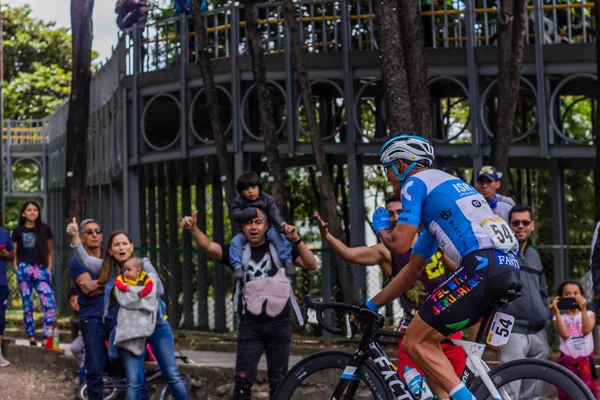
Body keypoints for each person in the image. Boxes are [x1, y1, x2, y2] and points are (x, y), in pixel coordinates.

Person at [364, 135, 520, 400]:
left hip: (481, 265)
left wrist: (381, 227)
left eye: (386, 169)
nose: (388, 177)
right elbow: (412, 270)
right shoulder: (446, 193)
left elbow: (399, 244)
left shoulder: (413, 182)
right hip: (507, 267)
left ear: (401, 165)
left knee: (413, 341)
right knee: (428, 346)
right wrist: (372, 304)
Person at [313, 195, 466, 394]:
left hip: (445, 325)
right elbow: (349, 254)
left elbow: (460, 268)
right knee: (414, 391)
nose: (395, 217)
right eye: (390, 213)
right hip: (412, 327)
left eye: (400, 212)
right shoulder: (387, 253)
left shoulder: (435, 241)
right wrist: (326, 236)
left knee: (451, 390)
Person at [181, 209, 318, 400]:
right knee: (243, 380)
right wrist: (193, 228)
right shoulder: (238, 252)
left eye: (258, 222)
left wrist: (296, 240)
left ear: (266, 225)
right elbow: (210, 247)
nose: (253, 227)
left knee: (279, 380)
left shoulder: (281, 248)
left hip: (280, 323)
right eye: (248, 223)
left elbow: (312, 264)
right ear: (242, 227)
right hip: (250, 325)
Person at [66, 219, 188, 400]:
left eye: (124, 243)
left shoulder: (143, 265)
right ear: (110, 250)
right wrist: (75, 235)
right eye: (116, 245)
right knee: (133, 380)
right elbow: (85, 259)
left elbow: (159, 289)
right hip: (130, 330)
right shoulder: (108, 269)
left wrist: (131, 287)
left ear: (131, 247)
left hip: (155, 325)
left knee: (171, 374)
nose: (121, 247)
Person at [496, 204, 550, 397]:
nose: (521, 226)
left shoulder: (534, 254)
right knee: (509, 391)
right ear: (508, 225)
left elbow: (542, 289)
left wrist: (545, 314)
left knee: (533, 391)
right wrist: (496, 333)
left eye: (525, 222)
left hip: (538, 333)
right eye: (515, 222)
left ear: (532, 225)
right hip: (512, 332)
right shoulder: (500, 253)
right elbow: (492, 293)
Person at [230, 171, 295, 278]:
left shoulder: (267, 199)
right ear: (242, 193)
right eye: (246, 189)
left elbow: (274, 213)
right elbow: (236, 216)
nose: (250, 191)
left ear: (259, 187)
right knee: (235, 241)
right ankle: (237, 267)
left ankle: (287, 260)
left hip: (267, 229)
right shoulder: (238, 202)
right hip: (244, 232)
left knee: (276, 236)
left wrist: (281, 227)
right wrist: (253, 212)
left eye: (253, 187)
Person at [69, 218, 107, 399]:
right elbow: (88, 289)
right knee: (94, 364)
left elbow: (95, 287)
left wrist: (99, 285)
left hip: (115, 315)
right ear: (81, 238)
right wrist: (117, 286)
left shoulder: (111, 256)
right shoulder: (77, 261)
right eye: (89, 232)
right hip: (92, 316)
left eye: (97, 231)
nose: (94, 235)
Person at [12, 199, 55, 346]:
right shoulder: (18, 230)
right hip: (24, 270)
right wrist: (16, 268)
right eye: (29, 210)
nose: (32, 212)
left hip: (41, 270)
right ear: (23, 213)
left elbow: (50, 250)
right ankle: (31, 337)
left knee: (49, 305)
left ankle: (46, 338)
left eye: (35, 210)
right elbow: (14, 252)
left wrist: (48, 268)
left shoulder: (45, 229)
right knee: (27, 305)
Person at [552, 280, 598, 399]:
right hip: (568, 363)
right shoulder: (559, 317)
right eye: (567, 294)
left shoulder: (589, 314)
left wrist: (583, 309)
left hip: (586, 364)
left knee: (587, 393)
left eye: (575, 293)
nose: (572, 297)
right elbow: (564, 334)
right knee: (568, 392)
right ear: (560, 297)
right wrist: (557, 312)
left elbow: (586, 330)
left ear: (582, 295)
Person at [113, 257, 158, 357]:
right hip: (128, 323)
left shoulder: (146, 278)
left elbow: (150, 289)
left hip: (144, 322)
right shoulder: (122, 278)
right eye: (125, 270)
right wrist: (128, 288)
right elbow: (118, 285)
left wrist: (141, 293)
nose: (126, 272)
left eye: (129, 270)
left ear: (138, 271)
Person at [0, 224, 15, 367]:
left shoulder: (4, 233)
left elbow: (12, 255)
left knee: (0, 319)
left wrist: (6, 254)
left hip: (1, 283)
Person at [68, 288, 86, 383]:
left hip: (95, 337)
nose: (75, 303)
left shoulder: (88, 310)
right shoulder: (74, 318)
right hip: (84, 337)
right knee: (74, 347)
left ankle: (84, 373)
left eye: (77, 300)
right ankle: (83, 369)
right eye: (72, 301)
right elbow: (74, 337)